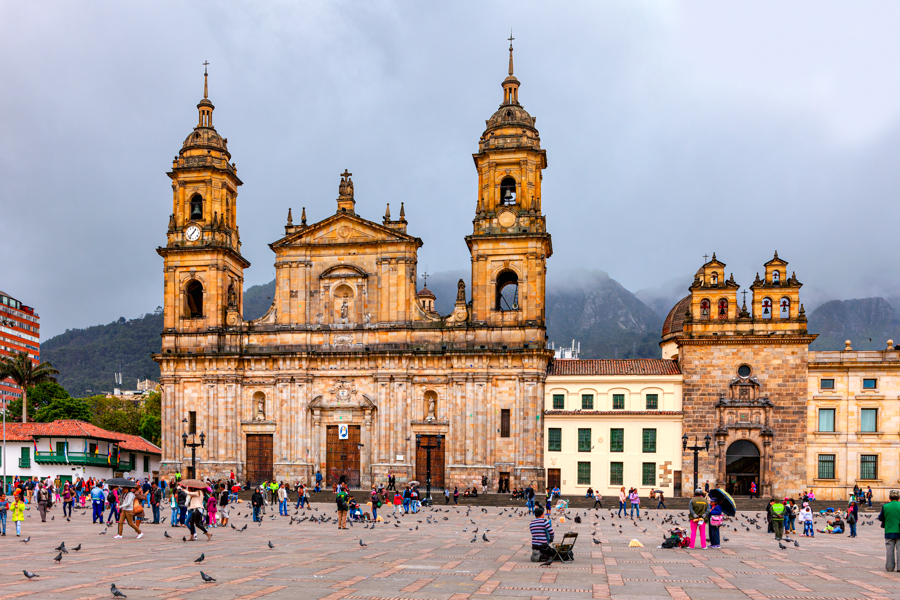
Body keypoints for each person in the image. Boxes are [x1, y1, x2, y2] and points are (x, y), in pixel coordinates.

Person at [878, 489, 900, 571]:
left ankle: (889, 567)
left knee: (889, 550)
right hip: (899, 530)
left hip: (889, 530)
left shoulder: (885, 506)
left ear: (889, 498)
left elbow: (881, 518)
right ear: (899, 498)